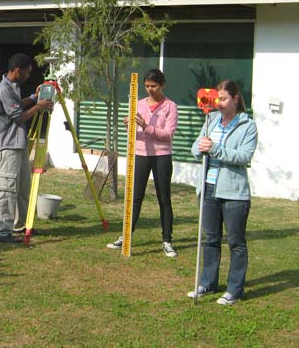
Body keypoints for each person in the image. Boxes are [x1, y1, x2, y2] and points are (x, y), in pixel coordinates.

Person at [188, 80, 258, 306]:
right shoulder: (211, 119)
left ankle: (234, 289)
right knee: (210, 239)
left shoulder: (248, 126)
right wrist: (200, 148)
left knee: (236, 242)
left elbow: (243, 156)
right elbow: (195, 147)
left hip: (234, 193)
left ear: (236, 99)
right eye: (217, 99)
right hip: (208, 188)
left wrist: (215, 149)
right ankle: (208, 282)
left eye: (224, 99)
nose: (218, 103)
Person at [106, 69, 179, 258]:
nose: (150, 89)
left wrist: (147, 127)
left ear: (162, 85)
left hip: (162, 156)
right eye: (147, 86)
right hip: (141, 154)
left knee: (164, 198)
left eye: (153, 86)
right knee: (135, 196)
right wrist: (128, 124)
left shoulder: (170, 106)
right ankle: (126, 236)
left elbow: (168, 135)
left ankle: (167, 240)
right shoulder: (138, 104)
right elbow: (134, 132)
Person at [0, 53, 53, 243]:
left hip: (20, 145)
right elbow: (18, 117)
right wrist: (39, 106)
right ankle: (1, 232)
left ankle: (21, 225)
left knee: (23, 188)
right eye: (27, 73)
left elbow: (18, 105)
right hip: (9, 146)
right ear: (17, 70)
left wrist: (34, 98)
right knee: (7, 189)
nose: (28, 76)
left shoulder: (14, 87)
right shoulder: (3, 89)